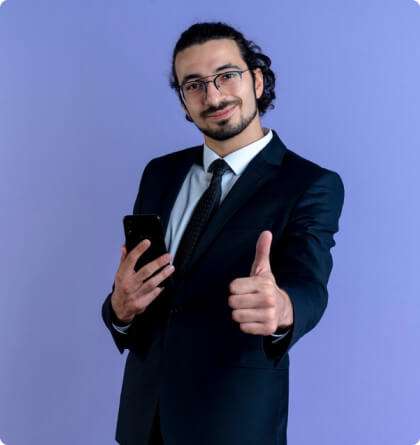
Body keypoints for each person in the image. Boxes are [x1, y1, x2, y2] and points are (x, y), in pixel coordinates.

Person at [101, 21, 345, 445]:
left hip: (232, 424)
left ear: (257, 80)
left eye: (226, 75)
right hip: (143, 424)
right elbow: (141, 297)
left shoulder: (309, 184)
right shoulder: (159, 174)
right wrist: (119, 310)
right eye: (193, 84)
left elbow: (309, 283)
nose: (212, 97)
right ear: (182, 99)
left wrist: (283, 308)